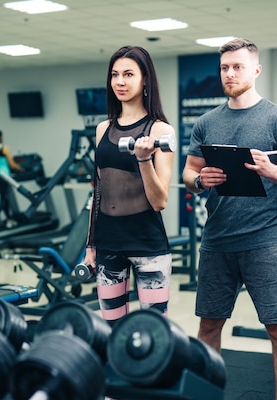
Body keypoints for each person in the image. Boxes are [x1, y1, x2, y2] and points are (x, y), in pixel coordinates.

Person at [181, 38, 277, 400]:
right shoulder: (207, 122)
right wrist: (197, 181)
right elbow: (189, 173)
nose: (230, 73)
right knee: (208, 326)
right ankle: (208, 395)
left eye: (237, 66)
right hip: (217, 240)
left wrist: (272, 171)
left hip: (265, 241)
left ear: (256, 69)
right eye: (224, 67)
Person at [82, 45, 175, 325]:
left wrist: (144, 159)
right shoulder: (103, 129)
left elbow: (160, 201)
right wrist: (90, 245)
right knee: (111, 328)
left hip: (147, 244)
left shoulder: (160, 130)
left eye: (128, 74)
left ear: (145, 79)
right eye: (115, 75)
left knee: (153, 331)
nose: (120, 81)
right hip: (108, 243)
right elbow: (98, 192)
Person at [0, 129, 22, 227]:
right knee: (3, 199)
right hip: (4, 176)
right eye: (2, 136)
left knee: (4, 198)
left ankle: (9, 220)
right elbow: (11, 164)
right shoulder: (4, 148)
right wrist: (20, 168)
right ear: (0, 138)